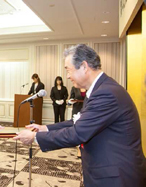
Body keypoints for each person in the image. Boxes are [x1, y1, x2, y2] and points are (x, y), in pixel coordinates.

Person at [14, 44, 146, 187]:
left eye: (69, 70)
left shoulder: (106, 93)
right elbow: (79, 122)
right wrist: (44, 128)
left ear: (84, 66)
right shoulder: (100, 89)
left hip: (116, 176)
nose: (68, 76)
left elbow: (78, 132)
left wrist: (35, 137)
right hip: (106, 170)